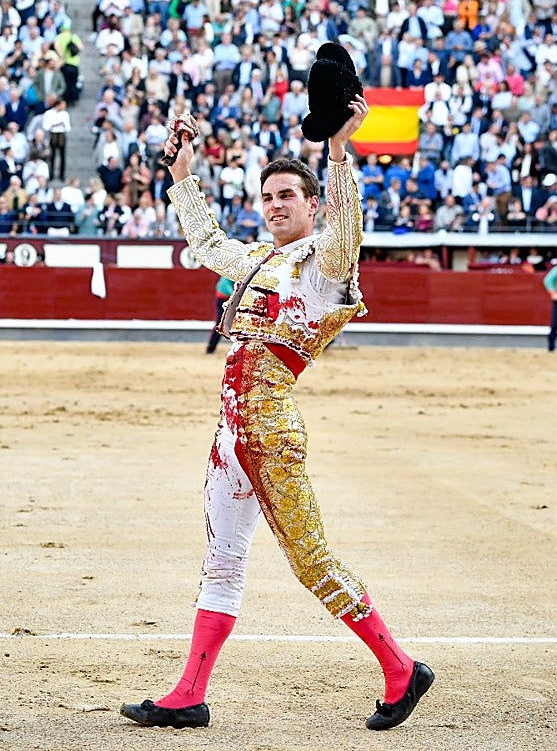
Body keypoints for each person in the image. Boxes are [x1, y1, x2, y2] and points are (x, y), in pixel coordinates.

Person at [121, 100, 433, 731]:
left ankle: (401, 668)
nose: (275, 204)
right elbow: (208, 243)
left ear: (312, 203)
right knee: (223, 561)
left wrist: (340, 151)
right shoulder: (263, 260)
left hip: (270, 431)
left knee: (310, 560)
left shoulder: (324, 263)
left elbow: (349, 237)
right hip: (229, 434)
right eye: (267, 196)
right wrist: (183, 175)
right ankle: (188, 694)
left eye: (288, 195)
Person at [205, 275, 235, 355]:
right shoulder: (231, 273)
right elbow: (227, 284)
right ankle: (211, 348)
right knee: (220, 323)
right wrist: (235, 296)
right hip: (224, 299)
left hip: (228, 299)